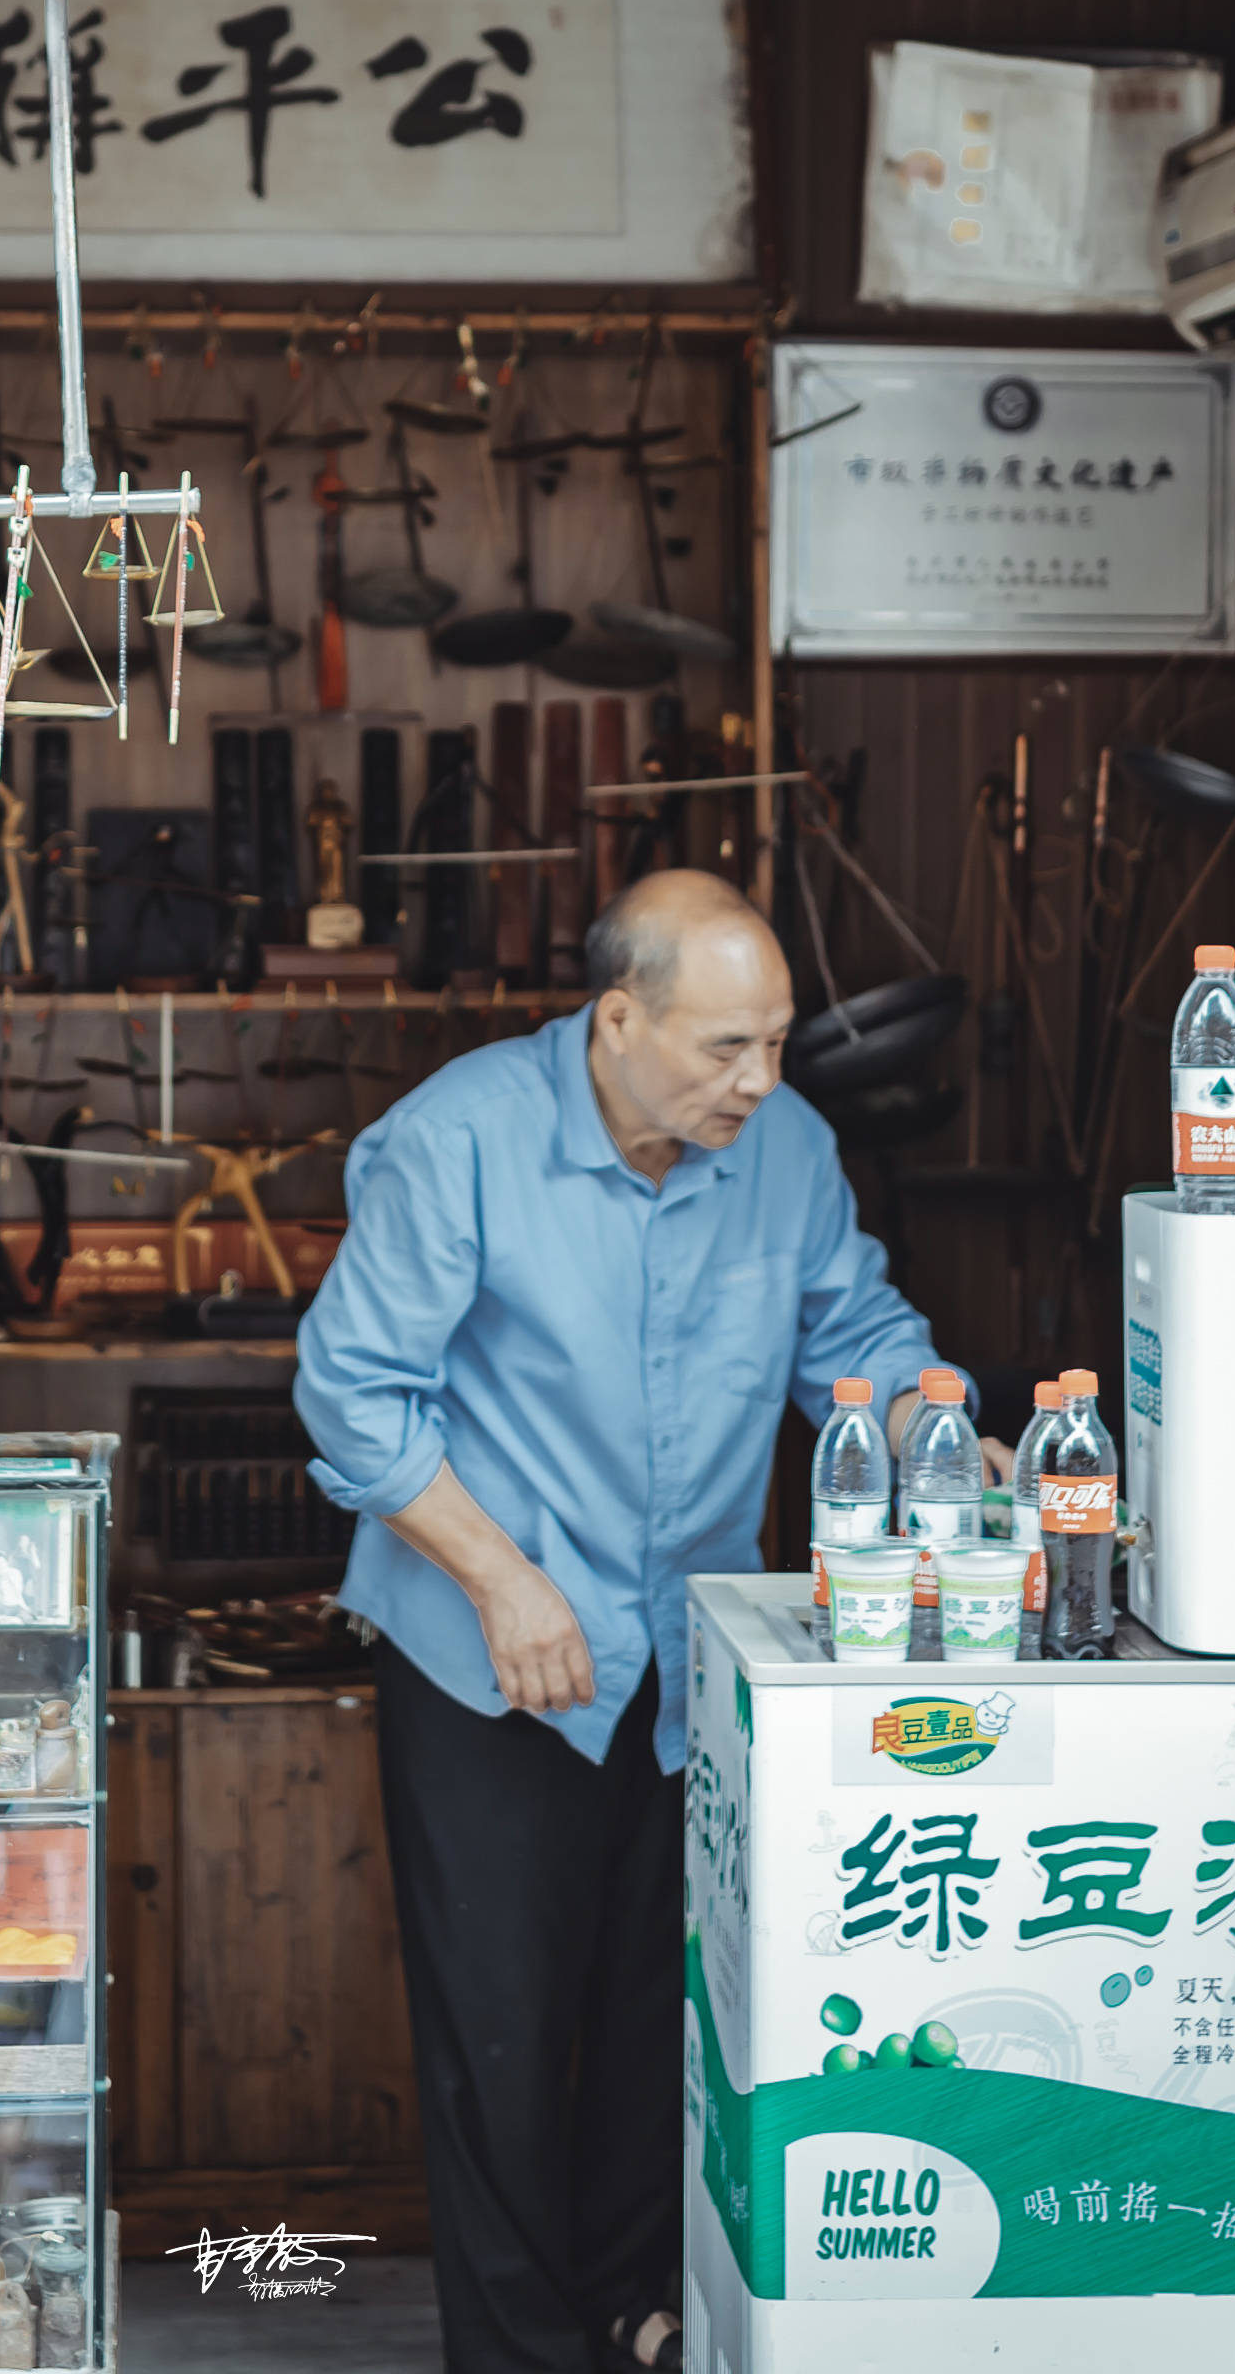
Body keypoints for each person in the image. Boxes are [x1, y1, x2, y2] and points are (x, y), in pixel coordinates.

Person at [293, 869, 1003, 2374]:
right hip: (494, 1660)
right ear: (618, 1021)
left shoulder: (787, 1150)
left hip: (685, 1659)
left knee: (653, 2014)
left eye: (777, 1044)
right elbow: (352, 1393)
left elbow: (851, 1336)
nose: (760, 1080)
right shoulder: (459, 1141)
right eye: (723, 1048)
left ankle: (636, 2314)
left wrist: (956, 1435)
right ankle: (518, 2353)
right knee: (500, 2040)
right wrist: (498, 1572)